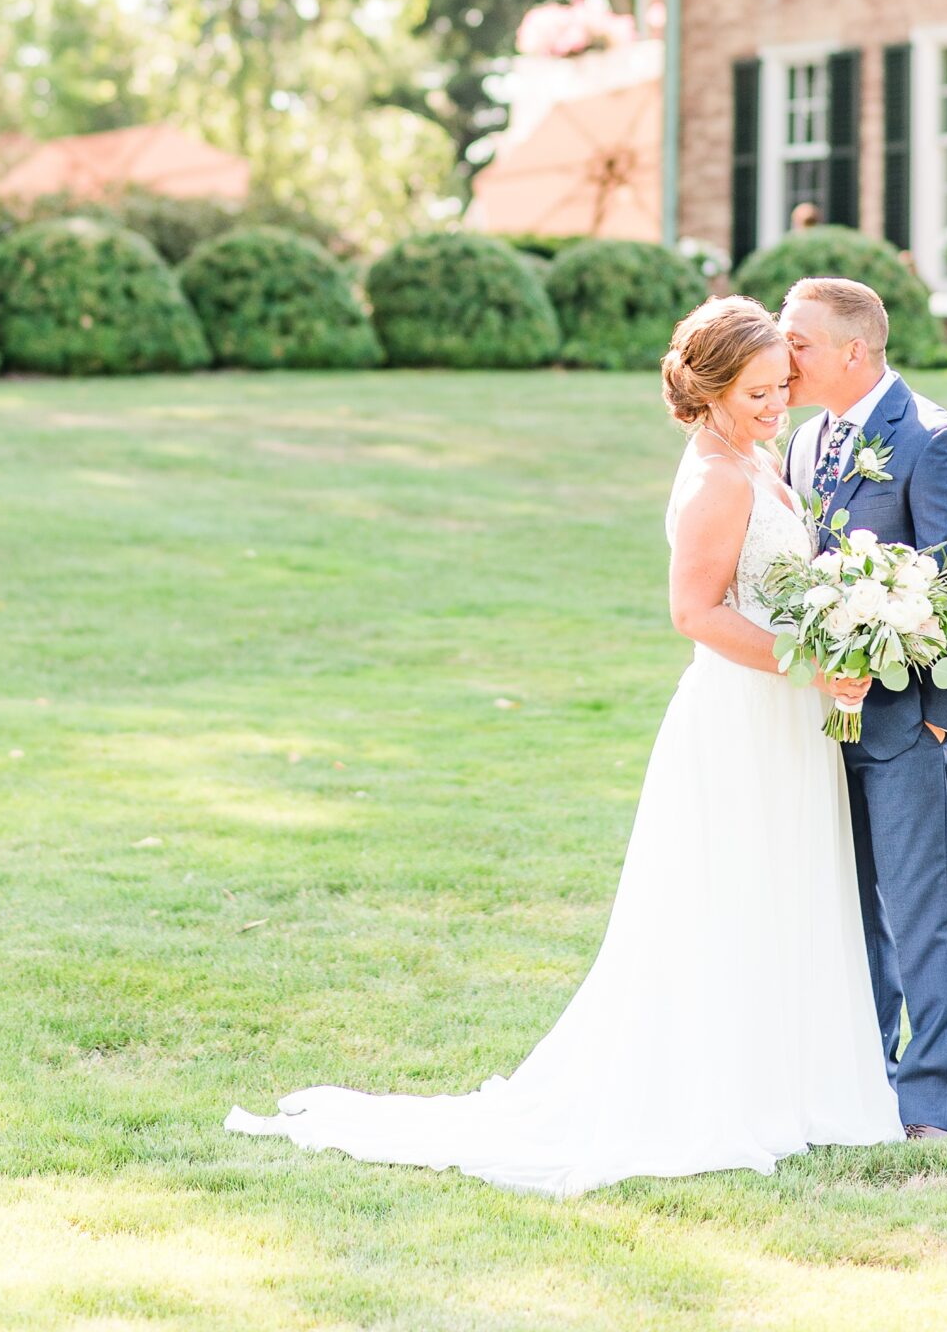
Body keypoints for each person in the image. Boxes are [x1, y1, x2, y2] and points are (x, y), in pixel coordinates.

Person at [225, 295, 903, 1191]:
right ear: (706, 395)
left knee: (787, 888)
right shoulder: (713, 479)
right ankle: (722, 1091)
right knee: (728, 895)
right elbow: (691, 613)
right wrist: (809, 664)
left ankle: (798, 1083)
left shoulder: (758, 455)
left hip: (786, 717)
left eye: (781, 387)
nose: (776, 406)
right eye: (755, 394)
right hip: (740, 716)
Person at [780, 276, 947, 1142]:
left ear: (852, 351)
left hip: (909, 727)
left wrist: (943, 721)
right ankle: (861, 1078)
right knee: (844, 911)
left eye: (796, 341)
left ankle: (934, 1104)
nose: (780, 353)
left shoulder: (938, 443)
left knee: (918, 914)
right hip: (817, 727)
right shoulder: (803, 444)